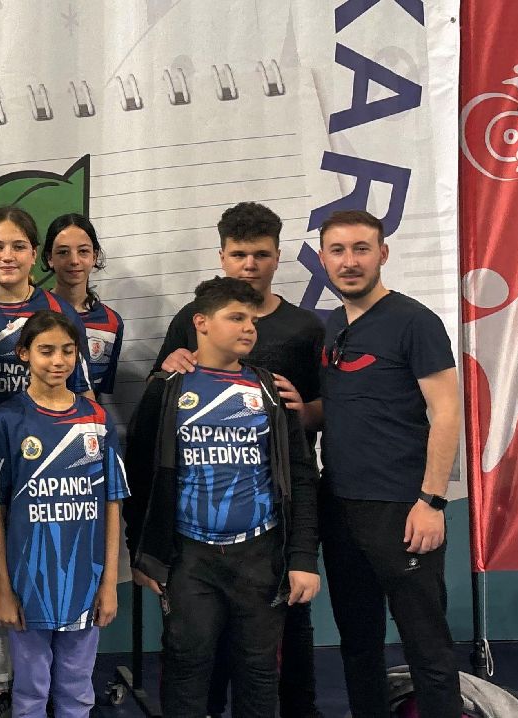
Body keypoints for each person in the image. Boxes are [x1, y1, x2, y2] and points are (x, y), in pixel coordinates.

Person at [151, 201, 324, 716]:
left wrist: (302, 410)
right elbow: (149, 457)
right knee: (191, 657)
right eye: (239, 255)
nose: (250, 265)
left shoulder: (303, 329)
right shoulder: (182, 347)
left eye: (261, 255)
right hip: (193, 544)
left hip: (267, 530)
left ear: (277, 256)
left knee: (268, 660)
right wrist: (148, 553)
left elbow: (314, 432)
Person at [316, 209, 461, 717]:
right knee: (358, 642)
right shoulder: (335, 325)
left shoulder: (415, 321)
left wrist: (432, 501)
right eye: (338, 251)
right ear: (322, 259)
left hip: (402, 509)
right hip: (340, 506)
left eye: (361, 249)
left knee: (427, 645)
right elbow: (348, 404)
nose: (349, 261)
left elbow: (447, 413)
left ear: (382, 253)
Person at [0, 206, 93, 718]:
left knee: (53, 576)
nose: (7, 256)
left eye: (18, 246)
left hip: (53, 476)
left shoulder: (60, 311)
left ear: (35, 254)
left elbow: (83, 395)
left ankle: (53, 688)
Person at [0, 310, 128, 718]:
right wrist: (3, 591)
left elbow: (112, 505)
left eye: (67, 351)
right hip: (28, 584)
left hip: (85, 581)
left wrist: (109, 583)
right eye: (46, 351)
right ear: (24, 353)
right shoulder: (7, 420)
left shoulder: (97, 420)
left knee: (77, 689)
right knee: (30, 690)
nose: (58, 361)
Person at [43, 214, 125, 396]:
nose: (74, 260)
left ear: (94, 256)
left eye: (83, 251)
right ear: (50, 258)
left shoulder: (112, 322)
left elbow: (98, 392)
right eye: (63, 252)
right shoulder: (33, 314)